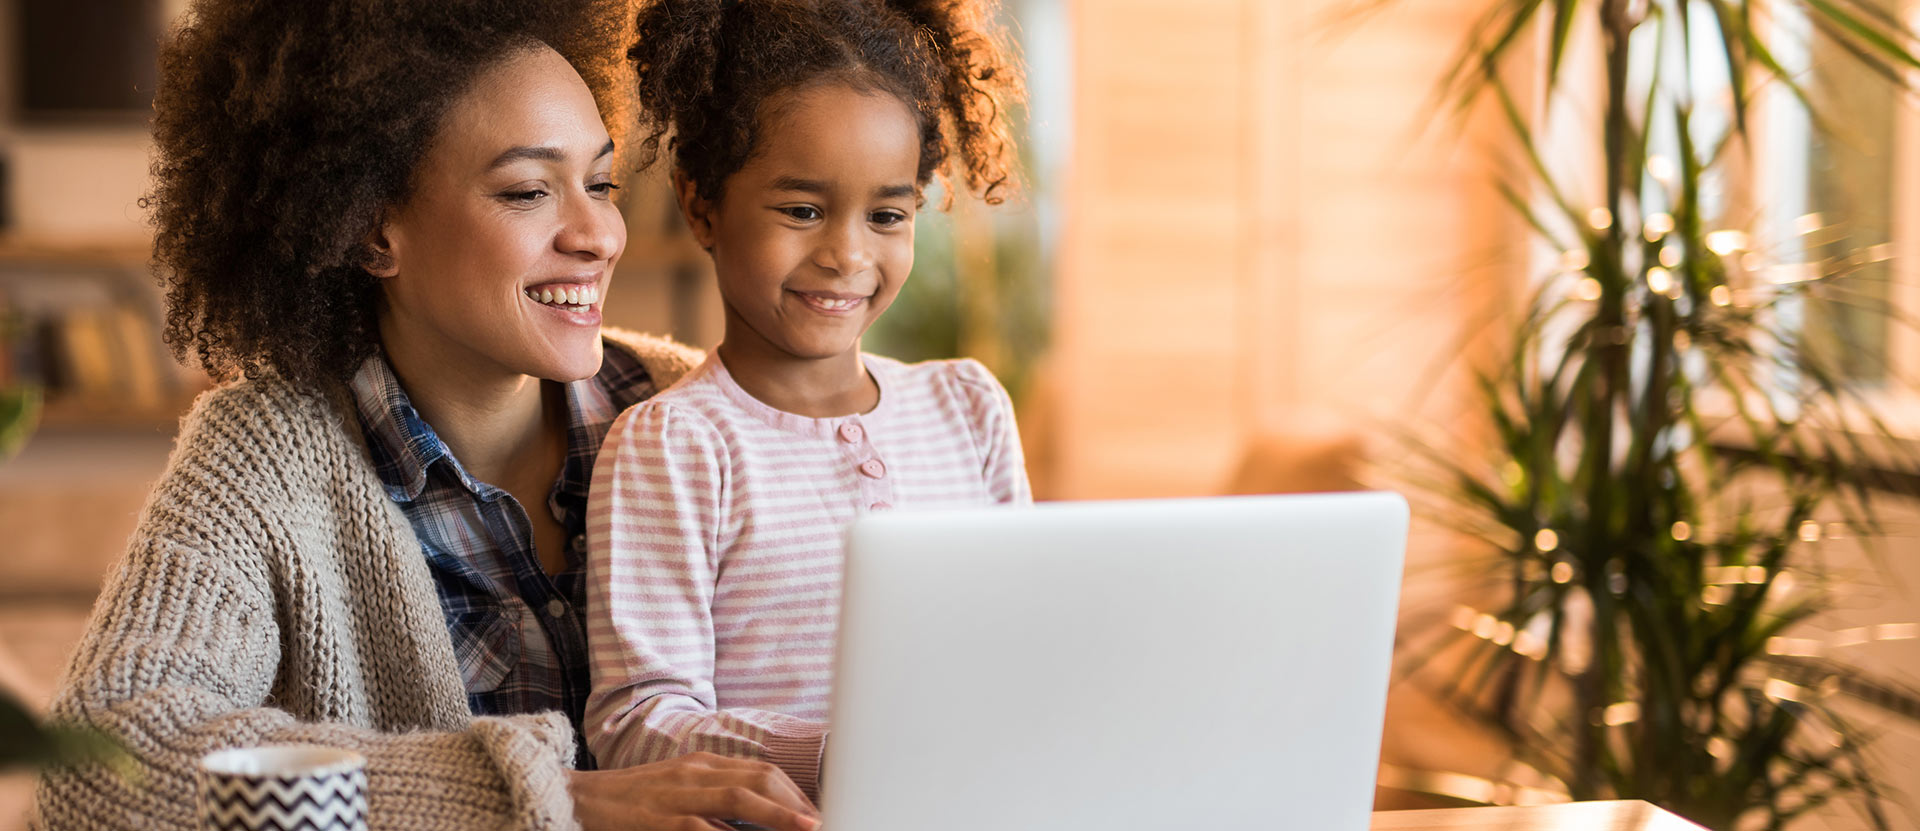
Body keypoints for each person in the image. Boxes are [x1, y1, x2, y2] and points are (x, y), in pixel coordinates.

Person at [34, 1, 819, 829]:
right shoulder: (261, 458)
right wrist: (546, 802)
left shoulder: (701, 410)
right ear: (374, 229)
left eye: (600, 182)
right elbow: (100, 766)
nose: (599, 235)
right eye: (526, 191)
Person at [582, 0, 1030, 800]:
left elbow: (1027, 638)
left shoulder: (969, 408)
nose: (848, 254)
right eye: (802, 211)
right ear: (702, 205)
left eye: (887, 215)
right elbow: (636, 721)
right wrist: (843, 755)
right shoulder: (674, 445)